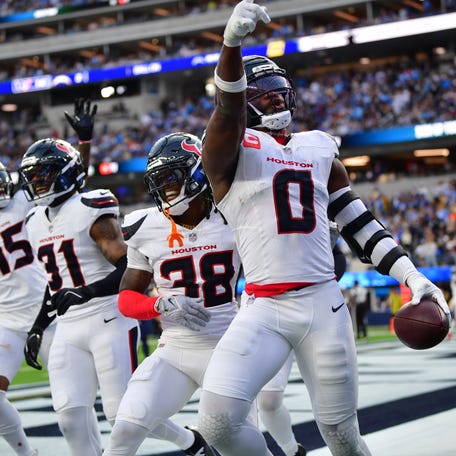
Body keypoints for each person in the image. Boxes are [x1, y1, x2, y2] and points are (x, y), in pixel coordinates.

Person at [197, 1, 451, 455]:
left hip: (322, 303)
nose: (275, 101)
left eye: (280, 93)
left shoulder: (318, 148)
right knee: (216, 423)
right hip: (261, 305)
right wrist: (230, 44)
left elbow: (359, 224)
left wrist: (413, 277)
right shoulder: (226, 150)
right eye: (263, 96)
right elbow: (228, 111)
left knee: (342, 437)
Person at [103, 132, 241, 456]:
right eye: (158, 180)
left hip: (228, 346)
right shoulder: (145, 226)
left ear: (196, 173)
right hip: (174, 350)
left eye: (170, 178)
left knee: (234, 440)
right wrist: (159, 304)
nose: (163, 188)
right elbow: (126, 298)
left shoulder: (233, 216)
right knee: (124, 428)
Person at [19, 137, 139, 456]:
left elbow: (130, 267)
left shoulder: (91, 208)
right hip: (68, 327)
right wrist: (37, 326)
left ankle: (190, 441)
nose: (37, 182)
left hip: (108, 318)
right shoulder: (33, 222)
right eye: (33, 177)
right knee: (70, 418)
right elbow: (55, 283)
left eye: (44, 174)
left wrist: (87, 292)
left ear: (65, 173)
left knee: (123, 417)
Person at [258, 223, 345, 456]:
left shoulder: (308, 198)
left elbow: (339, 258)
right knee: (267, 399)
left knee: (337, 414)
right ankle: (293, 451)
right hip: (271, 308)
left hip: (317, 308)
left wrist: (315, 280)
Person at [0, 161, 55, 456]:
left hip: (44, 313)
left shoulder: (23, 200)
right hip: (6, 319)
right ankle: (26, 454)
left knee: (69, 400)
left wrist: (83, 143)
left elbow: (68, 188)